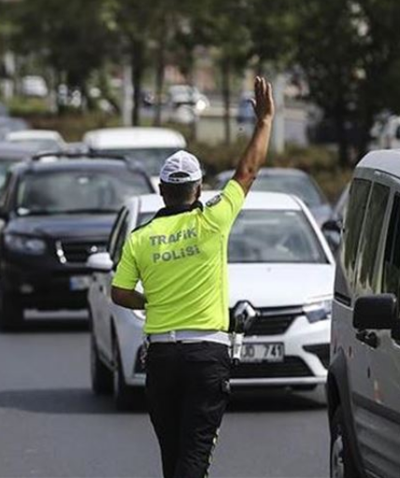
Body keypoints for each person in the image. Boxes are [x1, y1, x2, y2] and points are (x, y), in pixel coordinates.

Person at [111, 77, 274, 478]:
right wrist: (265, 121)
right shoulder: (213, 221)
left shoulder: (140, 238)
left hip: (162, 358)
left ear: (163, 191)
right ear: (198, 189)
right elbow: (248, 171)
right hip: (206, 357)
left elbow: (118, 293)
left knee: (173, 456)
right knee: (194, 456)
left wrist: (151, 301)